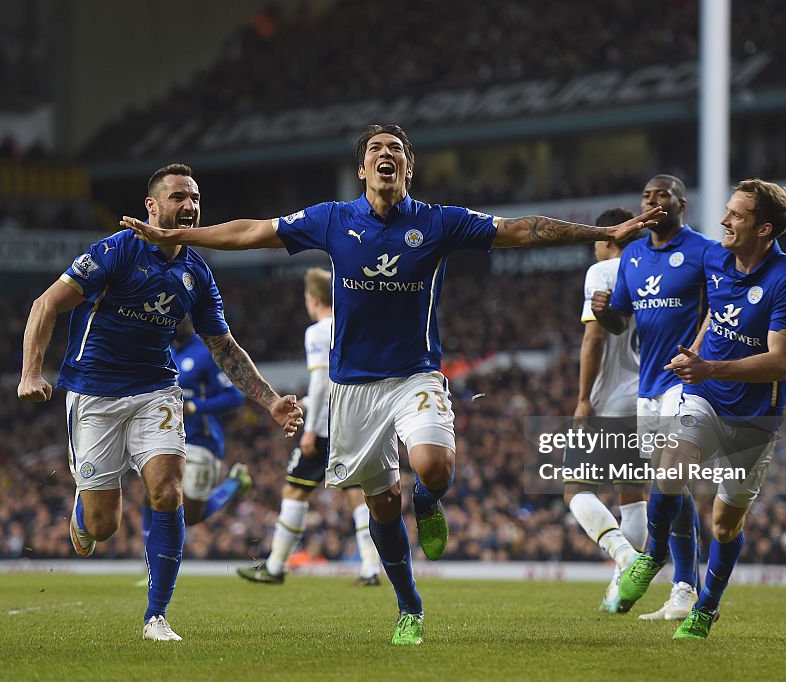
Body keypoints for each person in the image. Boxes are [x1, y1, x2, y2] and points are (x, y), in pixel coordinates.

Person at [123, 124, 664, 645]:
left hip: (414, 375)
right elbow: (251, 231)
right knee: (381, 505)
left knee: (434, 465)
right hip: (354, 388)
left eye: (397, 149)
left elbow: (520, 230)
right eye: (377, 148)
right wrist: (179, 235)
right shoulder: (332, 219)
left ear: (408, 166)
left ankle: (427, 500)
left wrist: (604, 232)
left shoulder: (438, 222)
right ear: (363, 168)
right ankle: (409, 606)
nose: (388, 154)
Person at [18, 163, 303, 642]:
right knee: (105, 526)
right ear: (152, 206)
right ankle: (85, 513)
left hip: (157, 391)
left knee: (168, 492)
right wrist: (30, 373)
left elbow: (223, 347)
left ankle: (157, 617)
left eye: (194, 198)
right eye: (178, 197)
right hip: (94, 393)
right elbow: (45, 304)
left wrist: (270, 401)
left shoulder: (196, 271)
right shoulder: (114, 253)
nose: (189, 205)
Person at [617, 179, 786, 640]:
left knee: (725, 525)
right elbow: (713, 311)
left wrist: (710, 366)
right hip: (704, 395)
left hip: (754, 416)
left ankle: (707, 607)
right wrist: (697, 353)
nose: (724, 221)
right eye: (726, 212)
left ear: (764, 229)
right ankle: (654, 554)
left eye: (736, 215)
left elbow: (781, 362)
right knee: (670, 466)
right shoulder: (717, 258)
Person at [591, 175, 714, 618]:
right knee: (673, 491)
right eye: (646, 196)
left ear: (682, 205)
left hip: (686, 383)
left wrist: (699, 352)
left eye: (662, 195)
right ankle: (683, 590)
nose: (653, 201)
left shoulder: (703, 251)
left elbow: (721, 306)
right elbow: (621, 321)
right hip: (648, 388)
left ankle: (669, 570)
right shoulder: (635, 255)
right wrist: (605, 314)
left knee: (671, 480)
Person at [236, 267, 381, 586]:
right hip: (356, 423)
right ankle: (371, 569)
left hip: (327, 427)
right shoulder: (351, 326)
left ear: (313, 299)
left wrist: (311, 429)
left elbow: (321, 382)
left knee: (295, 490)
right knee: (357, 493)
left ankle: (275, 567)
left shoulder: (317, 332)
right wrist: (307, 402)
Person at [563, 207, 645, 609]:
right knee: (633, 495)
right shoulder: (651, 270)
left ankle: (626, 557)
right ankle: (621, 588)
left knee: (575, 488)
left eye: (597, 240)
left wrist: (582, 398)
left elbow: (594, 339)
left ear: (610, 240)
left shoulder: (604, 272)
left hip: (609, 397)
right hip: (650, 396)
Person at [138, 315, 252, 545]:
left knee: (189, 516)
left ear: (189, 319)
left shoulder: (207, 353)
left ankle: (234, 482)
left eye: (177, 317)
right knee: (152, 497)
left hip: (201, 442)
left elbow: (234, 397)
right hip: (167, 440)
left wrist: (194, 406)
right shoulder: (163, 351)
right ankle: (151, 564)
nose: (171, 322)